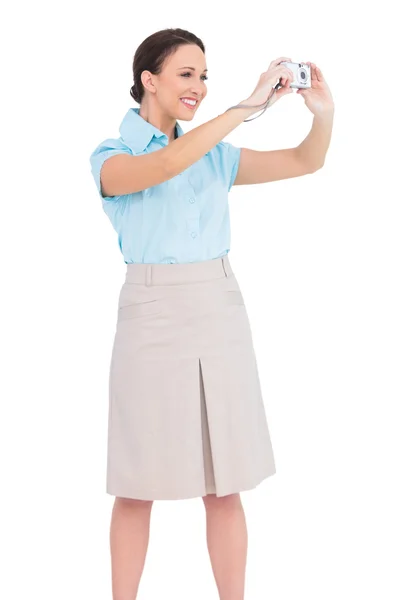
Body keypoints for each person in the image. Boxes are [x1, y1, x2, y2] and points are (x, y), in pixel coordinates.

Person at [89, 27, 334, 600]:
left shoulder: (216, 158)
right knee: (135, 483)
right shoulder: (110, 157)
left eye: (203, 76)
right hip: (151, 314)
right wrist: (245, 107)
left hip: (219, 310)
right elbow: (168, 162)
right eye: (186, 74)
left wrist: (322, 115)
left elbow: (306, 160)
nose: (198, 86)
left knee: (225, 484)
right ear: (149, 81)